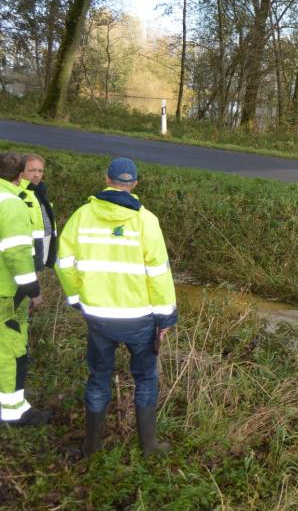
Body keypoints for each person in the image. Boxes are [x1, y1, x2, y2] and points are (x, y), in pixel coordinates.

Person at [56, 157, 178, 457]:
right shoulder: (146, 220)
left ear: (107, 179)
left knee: (98, 378)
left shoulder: (82, 216)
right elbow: (158, 272)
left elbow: (64, 264)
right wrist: (165, 317)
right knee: (146, 378)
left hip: (98, 316)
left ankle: (91, 447)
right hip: (139, 317)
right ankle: (149, 446)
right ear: (134, 184)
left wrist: (76, 299)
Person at [0, 152, 49, 427]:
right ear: (20, 175)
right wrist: (33, 290)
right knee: (11, 351)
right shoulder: (13, 204)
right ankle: (12, 412)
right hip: (6, 291)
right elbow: (18, 254)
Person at [19, 154, 57, 270]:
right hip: (24, 257)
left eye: (40, 171)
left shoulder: (40, 191)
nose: (36, 175)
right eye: (31, 170)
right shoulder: (18, 193)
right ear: (21, 172)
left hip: (40, 254)